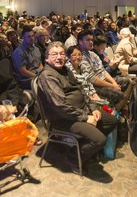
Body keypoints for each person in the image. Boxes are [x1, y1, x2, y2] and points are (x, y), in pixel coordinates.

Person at [37, 41, 117, 173]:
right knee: (99, 140)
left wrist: (94, 108)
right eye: (54, 54)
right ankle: (73, 158)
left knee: (112, 120)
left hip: (81, 111)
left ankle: (83, 148)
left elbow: (81, 90)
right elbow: (60, 106)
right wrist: (86, 118)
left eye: (62, 53)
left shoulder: (65, 69)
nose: (59, 57)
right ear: (47, 58)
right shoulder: (48, 76)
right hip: (64, 119)